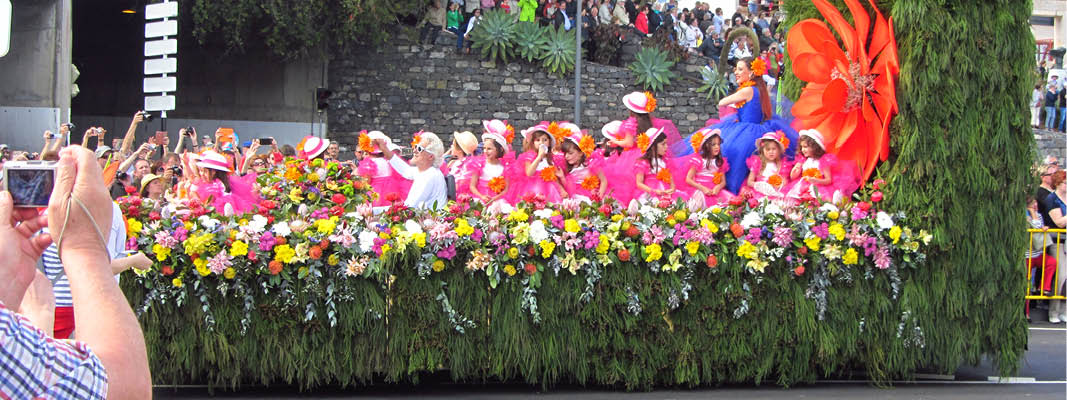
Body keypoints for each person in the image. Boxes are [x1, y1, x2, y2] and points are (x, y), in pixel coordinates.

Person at [0, 145, 152, 398]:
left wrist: (7, 291)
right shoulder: (84, 213)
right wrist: (86, 248)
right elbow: (123, 388)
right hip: (63, 306)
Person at [694, 57, 798, 194]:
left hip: (746, 131)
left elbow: (722, 102)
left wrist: (733, 105)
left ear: (751, 73)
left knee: (734, 157)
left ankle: (732, 190)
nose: (736, 72)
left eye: (740, 69)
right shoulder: (759, 89)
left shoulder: (747, 90)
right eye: (736, 69)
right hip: (757, 128)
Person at [372, 132, 448, 210]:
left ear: (431, 156)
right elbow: (405, 170)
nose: (414, 151)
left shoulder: (429, 175)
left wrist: (373, 211)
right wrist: (383, 148)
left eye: (419, 149)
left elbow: (409, 207)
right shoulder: (426, 171)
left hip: (431, 220)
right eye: (415, 146)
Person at [784, 129, 859, 202]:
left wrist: (816, 180)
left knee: (819, 200)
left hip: (818, 186)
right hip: (803, 186)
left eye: (806, 147)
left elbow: (828, 180)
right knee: (795, 198)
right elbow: (793, 177)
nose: (803, 149)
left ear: (815, 147)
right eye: (802, 147)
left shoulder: (823, 161)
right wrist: (794, 171)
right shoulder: (803, 160)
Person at [510, 123, 568, 203]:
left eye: (545, 140)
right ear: (533, 142)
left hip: (550, 190)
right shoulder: (529, 157)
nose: (541, 143)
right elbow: (529, 173)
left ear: (549, 142)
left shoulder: (551, 159)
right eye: (538, 140)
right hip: (533, 189)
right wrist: (539, 157)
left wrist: (561, 189)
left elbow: (553, 178)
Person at [682, 128, 734, 207]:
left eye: (718, 144)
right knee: (697, 205)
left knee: (728, 204)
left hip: (714, 189)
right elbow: (688, 179)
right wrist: (702, 188)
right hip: (701, 188)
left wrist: (718, 187)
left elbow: (723, 182)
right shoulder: (698, 160)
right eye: (713, 145)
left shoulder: (719, 162)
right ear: (706, 146)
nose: (717, 147)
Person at [633, 127, 686, 203]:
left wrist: (672, 188)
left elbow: (671, 179)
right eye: (663, 144)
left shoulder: (665, 161)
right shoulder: (643, 162)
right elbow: (639, 183)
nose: (666, 147)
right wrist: (653, 191)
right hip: (650, 192)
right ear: (653, 147)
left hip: (665, 191)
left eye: (666, 144)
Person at [1042, 170, 1067, 323]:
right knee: (1061, 276)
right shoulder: (1052, 199)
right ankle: (1054, 311)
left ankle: (1064, 310)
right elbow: (1059, 222)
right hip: (1057, 241)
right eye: (1065, 183)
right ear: (1058, 183)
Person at [560, 129, 608, 202]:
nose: (566, 156)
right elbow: (567, 186)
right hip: (574, 196)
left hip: (590, 195)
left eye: (570, 153)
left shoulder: (591, 164)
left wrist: (599, 197)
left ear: (580, 153)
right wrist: (562, 177)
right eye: (565, 153)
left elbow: (604, 180)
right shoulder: (568, 167)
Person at [744, 131, 791, 201]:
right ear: (762, 150)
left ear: (778, 150)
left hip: (775, 192)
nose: (771, 152)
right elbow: (749, 181)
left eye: (774, 149)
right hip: (759, 192)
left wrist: (778, 185)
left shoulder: (782, 164)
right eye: (768, 149)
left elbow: (784, 181)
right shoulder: (757, 162)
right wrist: (759, 185)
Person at [1027, 196, 1058, 302]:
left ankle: (1044, 288)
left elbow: (1039, 225)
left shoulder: (1039, 215)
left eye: (1035, 202)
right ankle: (1026, 313)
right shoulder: (1025, 216)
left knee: (1051, 262)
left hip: (1038, 253)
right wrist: (1031, 213)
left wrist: (1041, 227)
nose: (1035, 205)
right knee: (1027, 285)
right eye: (1032, 204)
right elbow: (1036, 226)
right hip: (1027, 255)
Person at [444, 131, 479, 200]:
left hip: (460, 200)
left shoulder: (468, 166)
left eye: (453, 145)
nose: (451, 147)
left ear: (460, 150)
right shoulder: (453, 162)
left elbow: (459, 186)